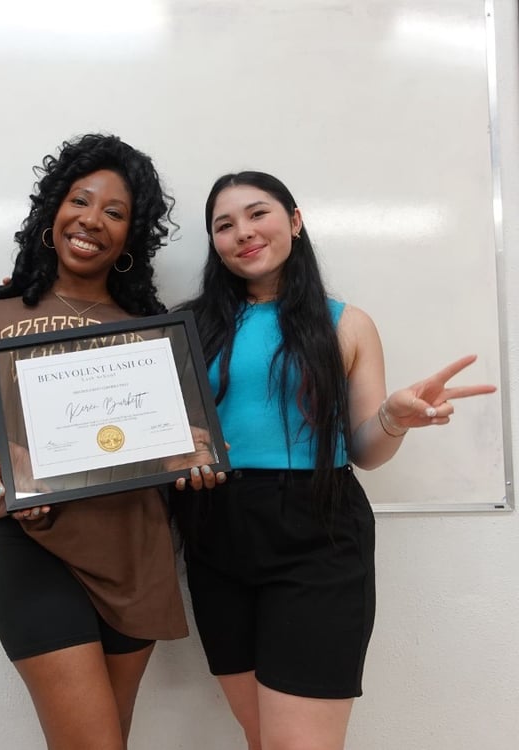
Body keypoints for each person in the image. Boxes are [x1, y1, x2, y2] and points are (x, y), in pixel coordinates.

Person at [170, 171, 496, 750]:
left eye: (258, 213)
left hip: (316, 533)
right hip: (214, 531)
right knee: (262, 739)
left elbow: (366, 453)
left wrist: (394, 418)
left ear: (294, 221)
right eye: (224, 225)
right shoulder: (187, 328)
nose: (243, 232)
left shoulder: (347, 323)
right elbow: (150, 436)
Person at [0, 133, 188, 750]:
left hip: (134, 546)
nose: (92, 220)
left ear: (131, 237)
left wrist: (194, 453)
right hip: (34, 539)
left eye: (115, 212)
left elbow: (171, 442)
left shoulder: (153, 331)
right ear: (53, 211)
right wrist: (4, 454)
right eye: (80, 200)